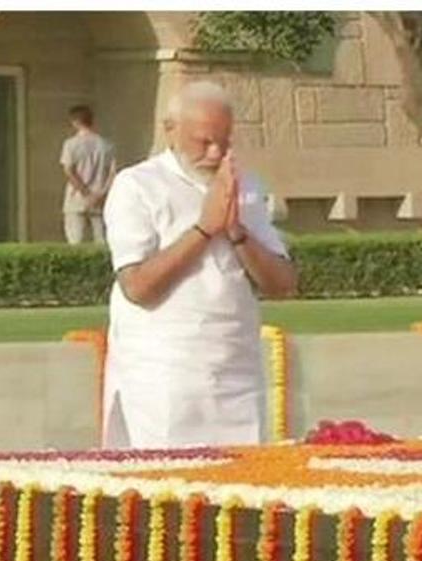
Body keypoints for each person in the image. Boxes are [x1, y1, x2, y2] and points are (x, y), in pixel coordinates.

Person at [101, 81, 298, 449]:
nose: (215, 152)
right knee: (168, 493)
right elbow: (138, 288)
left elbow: (283, 284)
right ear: (171, 131)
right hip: (163, 374)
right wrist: (205, 228)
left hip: (235, 368)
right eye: (203, 142)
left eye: (225, 142)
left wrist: (237, 230)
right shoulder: (137, 186)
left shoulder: (246, 185)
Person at [61, 105, 116, 245]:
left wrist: (86, 193)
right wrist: (101, 193)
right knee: (101, 241)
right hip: (100, 199)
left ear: (75, 122)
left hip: (76, 198)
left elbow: (69, 171)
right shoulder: (106, 145)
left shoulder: (71, 144)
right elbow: (113, 173)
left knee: (75, 242)